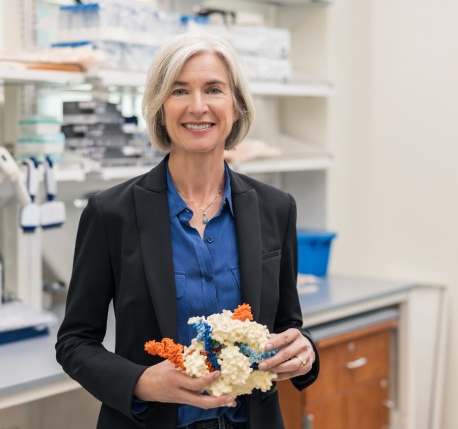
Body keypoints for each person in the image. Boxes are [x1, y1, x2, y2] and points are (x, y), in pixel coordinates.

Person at [55, 32, 320, 429]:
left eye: (213, 89)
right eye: (180, 91)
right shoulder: (111, 212)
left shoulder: (275, 208)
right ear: (161, 108)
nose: (198, 107)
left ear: (236, 107)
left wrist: (304, 351)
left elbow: (286, 326)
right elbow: (75, 342)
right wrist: (141, 382)